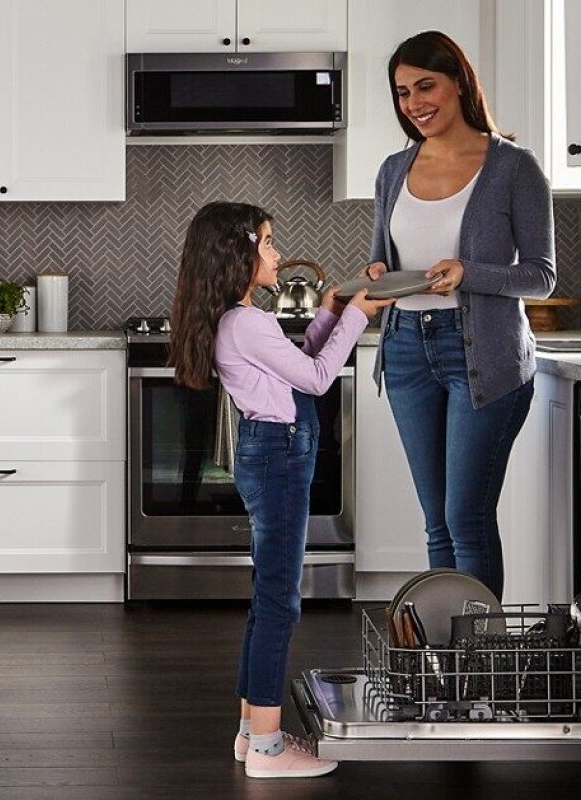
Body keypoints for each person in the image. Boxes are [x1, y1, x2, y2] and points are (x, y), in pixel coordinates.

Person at [169, 202, 391, 779]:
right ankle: (268, 750)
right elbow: (318, 378)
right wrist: (359, 318)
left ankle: (251, 732)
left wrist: (333, 310)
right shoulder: (246, 322)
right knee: (278, 603)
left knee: (267, 597)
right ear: (237, 254)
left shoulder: (242, 319)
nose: (275, 253)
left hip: (272, 450)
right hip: (278, 455)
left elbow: (300, 360)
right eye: (267, 242)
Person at [362, 30, 555, 600]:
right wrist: (376, 277)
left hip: (484, 357)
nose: (414, 103)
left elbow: (541, 277)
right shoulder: (393, 169)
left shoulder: (514, 167)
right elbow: (382, 260)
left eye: (426, 86)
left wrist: (471, 272)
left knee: (466, 517)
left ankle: (481, 670)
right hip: (404, 352)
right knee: (437, 523)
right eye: (402, 92)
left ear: (459, 84)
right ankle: (448, 670)